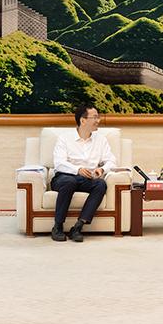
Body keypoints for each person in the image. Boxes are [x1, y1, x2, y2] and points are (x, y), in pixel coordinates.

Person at [50, 103, 115, 243]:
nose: (98, 120)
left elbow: (111, 161)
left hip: (86, 179)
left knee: (100, 184)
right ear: (83, 120)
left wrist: (102, 169)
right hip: (64, 177)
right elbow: (59, 163)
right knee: (70, 181)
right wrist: (77, 170)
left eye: (98, 117)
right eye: (95, 117)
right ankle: (57, 227)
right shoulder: (64, 139)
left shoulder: (101, 140)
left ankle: (78, 227)